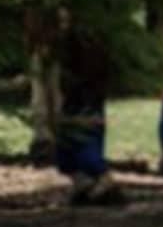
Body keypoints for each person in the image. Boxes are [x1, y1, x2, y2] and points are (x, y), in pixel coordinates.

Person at [54, 14, 125, 205]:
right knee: (67, 142)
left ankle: (100, 182)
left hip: (86, 90)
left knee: (85, 138)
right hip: (77, 90)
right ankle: (84, 184)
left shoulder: (88, 38)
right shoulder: (68, 41)